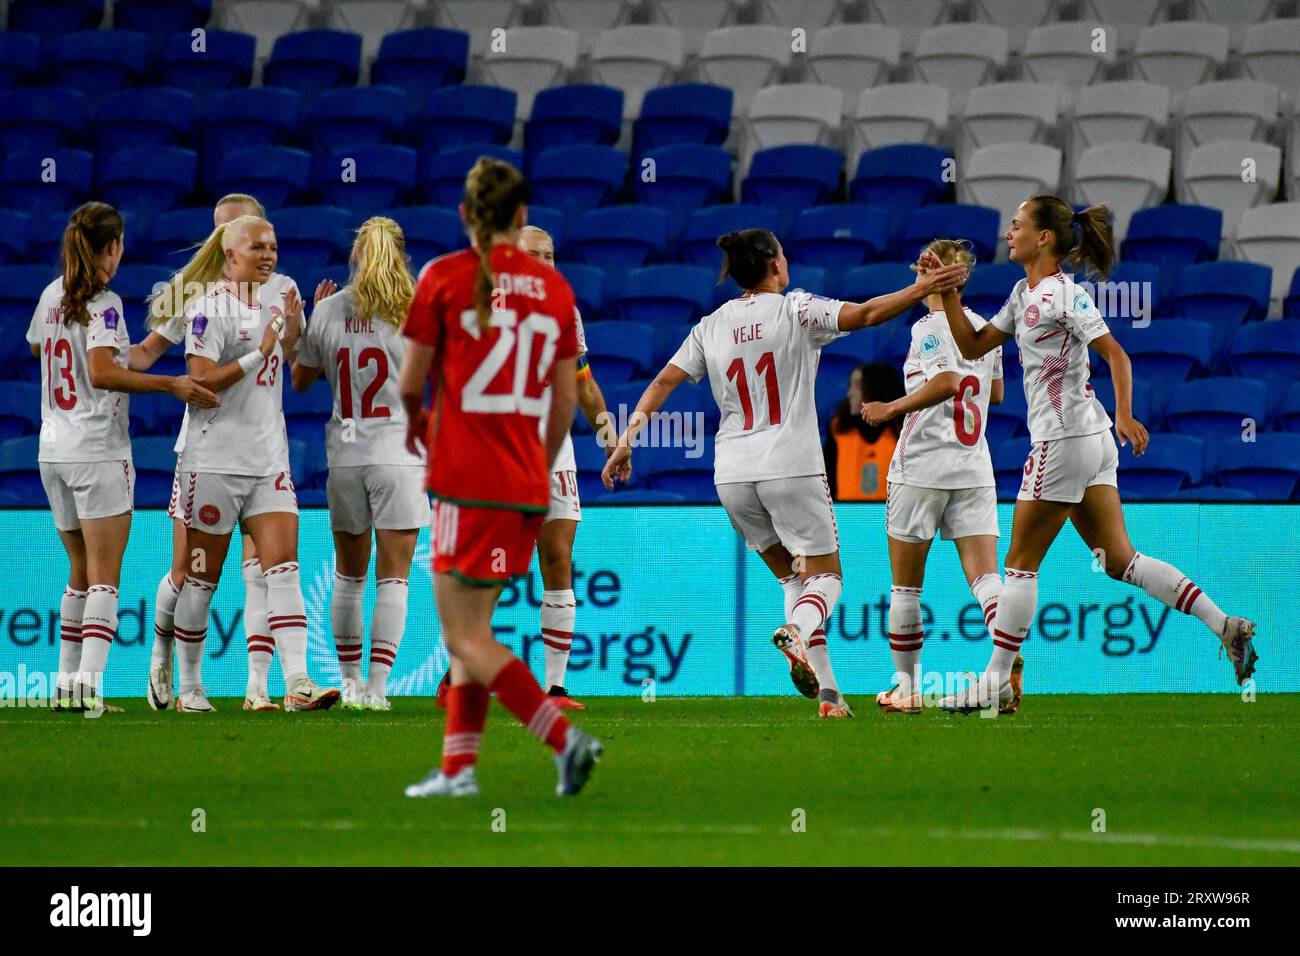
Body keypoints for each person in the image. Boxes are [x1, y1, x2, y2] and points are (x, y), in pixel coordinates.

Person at [601, 228, 968, 717]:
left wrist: (626, 440)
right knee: (827, 579)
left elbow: (666, 379)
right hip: (790, 465)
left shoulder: (710, 324)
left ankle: (830, 695)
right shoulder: (795, 307)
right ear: (775, 264)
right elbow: (864, 315)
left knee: (794, 582)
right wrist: (921, 291)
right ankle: (797, 631)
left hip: (731, 475)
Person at [935, 196, 1257, 712]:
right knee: (1120, 561)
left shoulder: (1065, 294)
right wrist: (950, 295)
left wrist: (1126, 412)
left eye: (1017, 225)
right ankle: (1225, 624)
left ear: (1044, 238)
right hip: (1089, 443)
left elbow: (1116, 353)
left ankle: (995, 681)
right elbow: (974, 347)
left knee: (1018, 565)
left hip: (1065, 442)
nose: (1008, 233)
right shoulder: (1023, 293)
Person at [399, 157, 602, 799]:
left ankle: (564, 741)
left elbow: (408, 385)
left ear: (465, 215)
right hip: (525, 480)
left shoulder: (444, 278)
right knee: (474, 634)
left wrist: (420, 426)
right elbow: (567, 403)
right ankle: (458, 770)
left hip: (465, 477)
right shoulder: (557, 293)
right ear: (521, 217)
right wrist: (537, 468)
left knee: (463, 635)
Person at [27, 201, 218, 712]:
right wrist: (170, 384)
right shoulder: (104, 302)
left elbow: (39, 349)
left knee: (79, 570)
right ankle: (89, 690)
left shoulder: (51, 296)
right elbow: (103, 371)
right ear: (113, 246)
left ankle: (67, 688)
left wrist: (152, 343)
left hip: (53, 450)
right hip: (97, 451)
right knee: (105, 574)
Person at [157, 213, 339, 713]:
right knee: (202, 578)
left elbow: (297, 360)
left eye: (273, 246)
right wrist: (259, 354)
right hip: (212, 462)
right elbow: (200, 384)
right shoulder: (205, 309)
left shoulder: (280, 296)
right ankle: (191, 687)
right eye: (257, 247)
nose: (268, 255)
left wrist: (304, 323)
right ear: (230, 255)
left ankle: (298, 682)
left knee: (284, 570)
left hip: (269, 460)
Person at [858, 239, 1011, 714]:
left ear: (935, 275)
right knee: (987, 579)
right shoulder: (985, 328)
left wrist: (891, 407)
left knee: (906, 586)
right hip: (973, 466)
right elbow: (998, 395)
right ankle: (1004, 676)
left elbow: (945, 382)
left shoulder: (928, 326)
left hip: (922, 466)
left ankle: (906, 690)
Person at [291, 216, 430, 711]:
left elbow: (301, 381)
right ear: (401, 255)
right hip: (400, 455)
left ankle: (348, 685)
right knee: (394, 577)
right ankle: (377, 688)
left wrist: (306, 321)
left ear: (355, 255)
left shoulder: (327, 310)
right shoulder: (417, 310)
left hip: (346, 456)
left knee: (350, 577)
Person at [516, 224, 612, 709]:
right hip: (501, 453)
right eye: (533, 255)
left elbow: (583, 383)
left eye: (549, 256)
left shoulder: (564, 312)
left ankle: (554, 687)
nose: (543, 264)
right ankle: (462, 671)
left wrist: (610, 437)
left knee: (557, 558)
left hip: (554, 453)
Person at [822, 362, 904, 501]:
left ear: (875, 388)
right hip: (847, 517)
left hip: (889, 518)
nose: (849, 394)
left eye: (857, 385)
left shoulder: (900, 430)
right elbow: (827, 486)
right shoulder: (837, 429)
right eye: (850, 385)